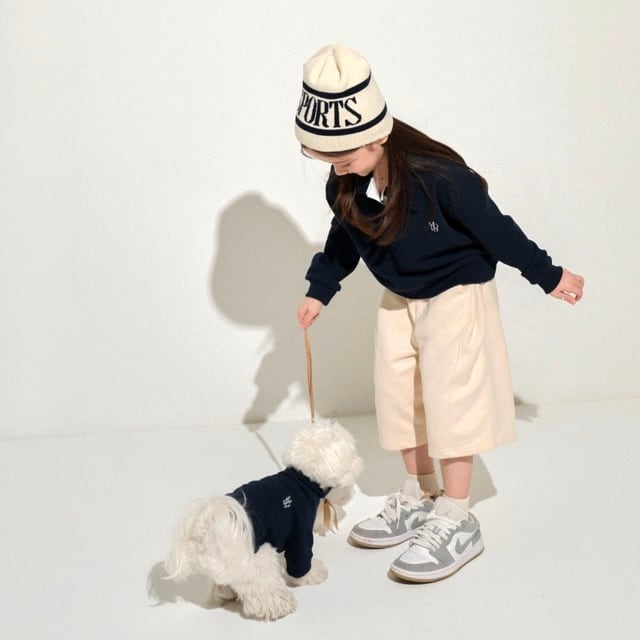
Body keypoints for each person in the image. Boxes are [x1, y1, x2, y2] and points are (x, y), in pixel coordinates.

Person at [294, 44, 584, 583]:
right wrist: (320, 290)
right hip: (400, 295)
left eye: (344, 157)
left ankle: (457, 514)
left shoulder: (440, 177)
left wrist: (548, 275)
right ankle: (422, 493)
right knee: (399, 396)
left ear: (376, 137)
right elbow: (344, 237)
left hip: (455, 293)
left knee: (451, 401)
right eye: (326, 159)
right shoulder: (347, 182)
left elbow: (496, 229)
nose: (336, 168)